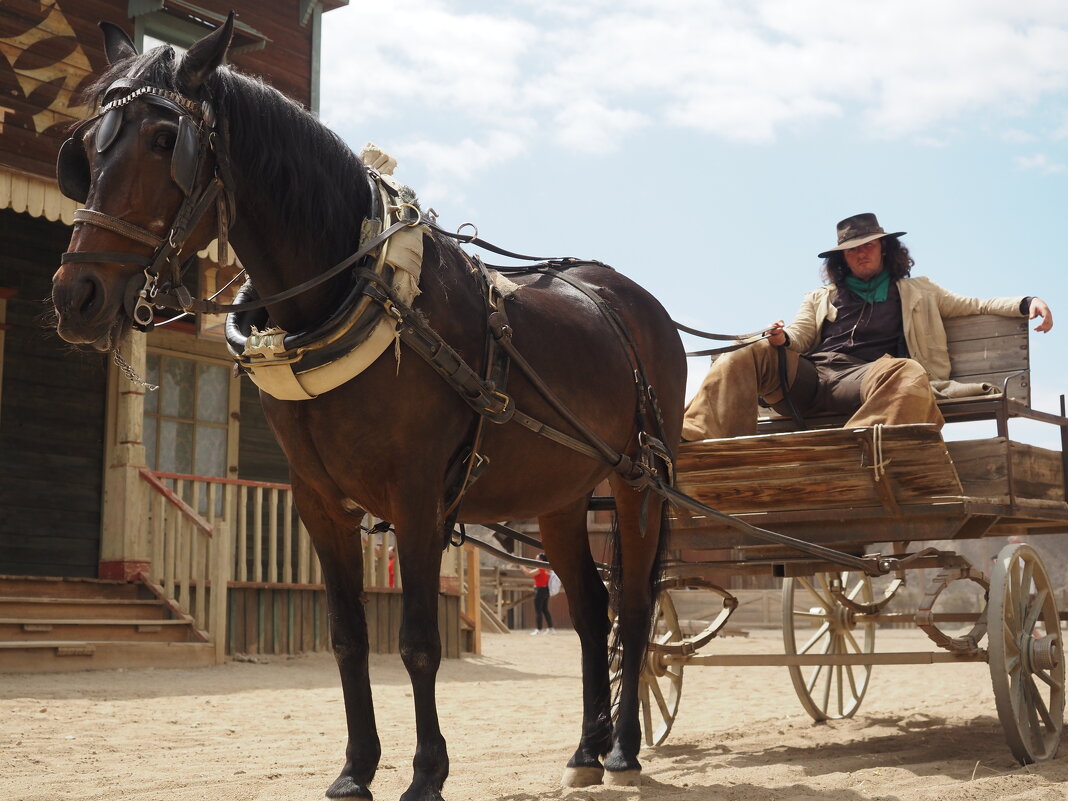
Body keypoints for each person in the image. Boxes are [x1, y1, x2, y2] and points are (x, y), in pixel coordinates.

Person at [682, 212, 1054, 440]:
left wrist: (1027, 303)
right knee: (750, 348)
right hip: (812, 379)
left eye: (868, 246)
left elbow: (976, 304)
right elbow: (800, 336)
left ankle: (858, 447)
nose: (861, 253)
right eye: (852, 249)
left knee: (906, 371)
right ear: (843, 257)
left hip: (864, 381)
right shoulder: (820, 296)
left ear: (884, 248)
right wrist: (779, 338)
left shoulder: (918, 291)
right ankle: (695, 437)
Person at [522, 553, 555, 635]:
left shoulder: (540, 568)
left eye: (537, 559)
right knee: (545, 610)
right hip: (545, 590)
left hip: (540, 590)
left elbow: (528, 574)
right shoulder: (545, 568)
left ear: (541, 560)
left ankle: (538, 629)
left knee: (538, 610)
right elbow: (531, 571)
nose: (535, 560)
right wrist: (525, 567)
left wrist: (521, 565)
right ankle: (551, 628)